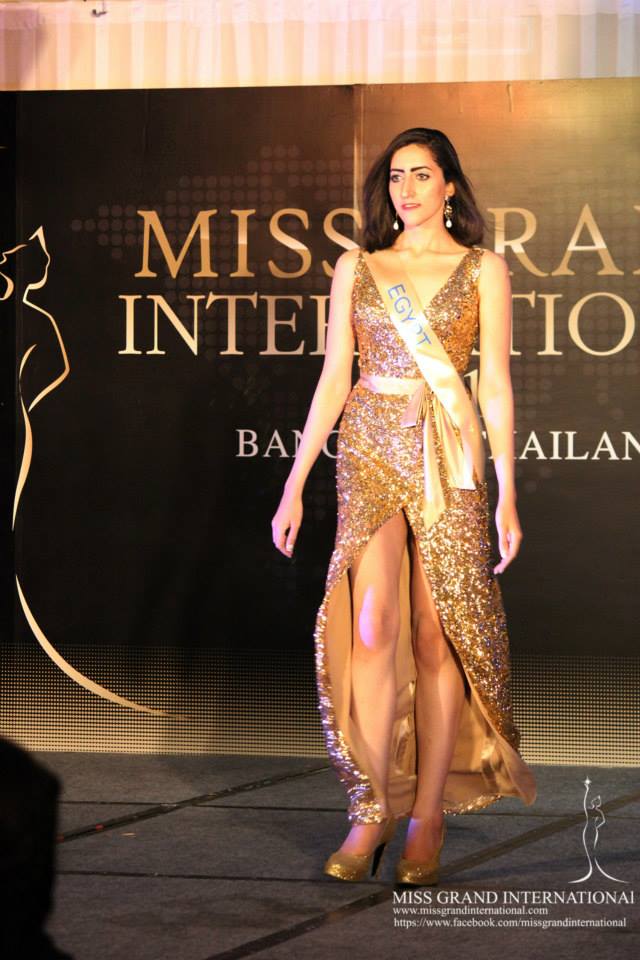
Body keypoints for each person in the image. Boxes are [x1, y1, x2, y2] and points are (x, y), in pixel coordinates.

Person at [271, 127, 537, 885]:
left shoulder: (484, 268)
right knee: (372, 623)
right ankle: (371, 805)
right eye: (396, 176)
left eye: (422, 175)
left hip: (449, 451)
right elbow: (335, 375)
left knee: (435, 634)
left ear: (450, 185)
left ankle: (426, 817)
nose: (408, 189)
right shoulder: (358, 266)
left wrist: (507, 490)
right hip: (370, 445)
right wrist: (294, 481)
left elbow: (494, 384)